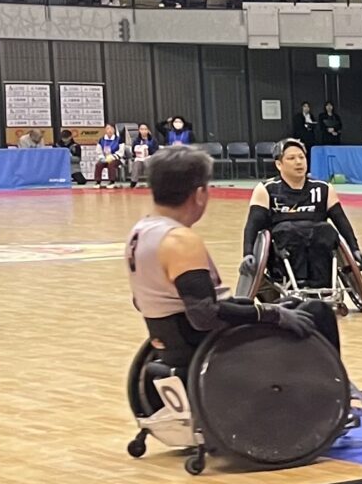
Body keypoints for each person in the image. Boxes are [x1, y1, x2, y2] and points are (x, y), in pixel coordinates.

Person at [128, 146, 331, 381]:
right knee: (317, 312)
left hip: (171, 341)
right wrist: (268, 313)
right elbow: (204, 315)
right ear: (200, 193)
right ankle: (333, 388)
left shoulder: (140, 231)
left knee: (292, 303)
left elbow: (141, 301)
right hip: (209, 346)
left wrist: (253, 307)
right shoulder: (180, 241)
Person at [245, 137, 362, 298]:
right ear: (279, 164)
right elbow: (253, 225)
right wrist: (247, 253)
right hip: (283, 250)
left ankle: (323, 283)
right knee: (288, 230)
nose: (298, 162)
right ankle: (299, 282)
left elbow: (341, 221)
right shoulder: (267, 189)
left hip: (318, 244)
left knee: (326, 230)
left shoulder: (323, 188)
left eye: (301, 157)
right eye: (291, 158)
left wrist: (355, 249)